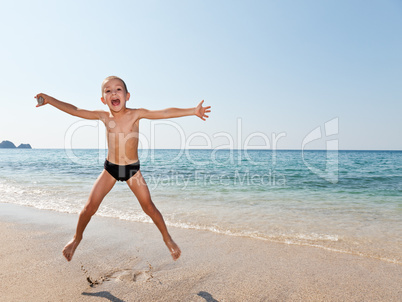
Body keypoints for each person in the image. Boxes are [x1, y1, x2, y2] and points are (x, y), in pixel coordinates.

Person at [35, 76, 211, 261]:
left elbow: (165, 113)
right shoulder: (103, 116)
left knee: (149, 207)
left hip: (132, 170)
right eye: (108, 90)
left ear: (127, 96)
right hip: (110, 169)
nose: (113, 93)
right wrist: (49, 100)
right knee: (89, 208)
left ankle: (167, 239)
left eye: (118, 89)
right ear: (103, 99)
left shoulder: (135, 114)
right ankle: (76, 239)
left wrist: (193, 111)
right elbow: (75, 110)